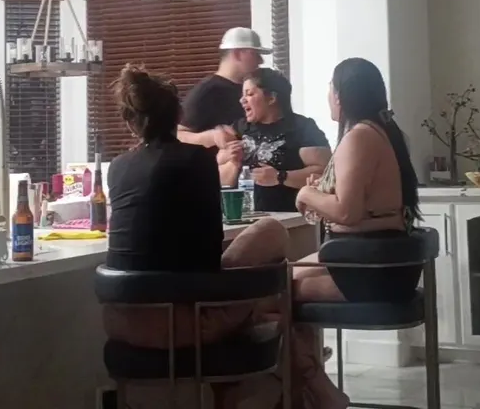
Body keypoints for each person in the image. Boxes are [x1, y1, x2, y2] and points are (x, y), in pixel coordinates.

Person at [101, 64, 338, 409]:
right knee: (272, 271)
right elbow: (208, 250)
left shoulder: (118, 167)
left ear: (130, 122)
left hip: (121, 321)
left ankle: (280, 391)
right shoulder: (195, 159)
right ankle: (308, 387)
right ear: (178, 116)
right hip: (182, 320)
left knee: (266, 299)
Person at [289, 58, 425, 408]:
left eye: (330, 89)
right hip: (378, 261)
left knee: (273, 289)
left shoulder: (359, 137)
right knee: (280, 275)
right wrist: (322, 193)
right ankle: (311, 377)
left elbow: (347, 212)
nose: (328, 96)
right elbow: (368, 208)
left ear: (341, 95)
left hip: (369, 269)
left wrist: (307, 194)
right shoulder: (381, 131)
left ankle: (314, 386)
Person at [217, 68, 331, 212]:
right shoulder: (239, 128)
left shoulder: (301, 127)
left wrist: (281, 177)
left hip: (289, 217)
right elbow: (220, 178)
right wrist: (233, 163)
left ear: (271, 98)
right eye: (242, 95)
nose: (242, 100)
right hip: (242, 216)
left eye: (250, 94)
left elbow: (325, 174)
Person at [177, 27, 271, 153]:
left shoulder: (256, 89)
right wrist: (211, 137)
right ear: (237, 54)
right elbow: (178, 135)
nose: (261, 60)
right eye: (255, 54)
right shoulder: (208, 91)